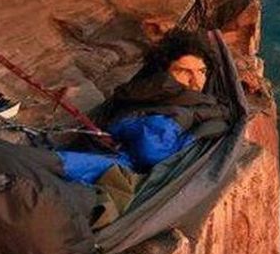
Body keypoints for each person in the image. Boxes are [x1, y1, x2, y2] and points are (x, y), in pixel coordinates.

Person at [56, 30, 229, 187]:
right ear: (164, 73)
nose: (197, 82)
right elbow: (152, 152)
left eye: (201, 71)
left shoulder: (199, 104)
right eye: (184, 72)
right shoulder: (159, 105)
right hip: (105, 169)